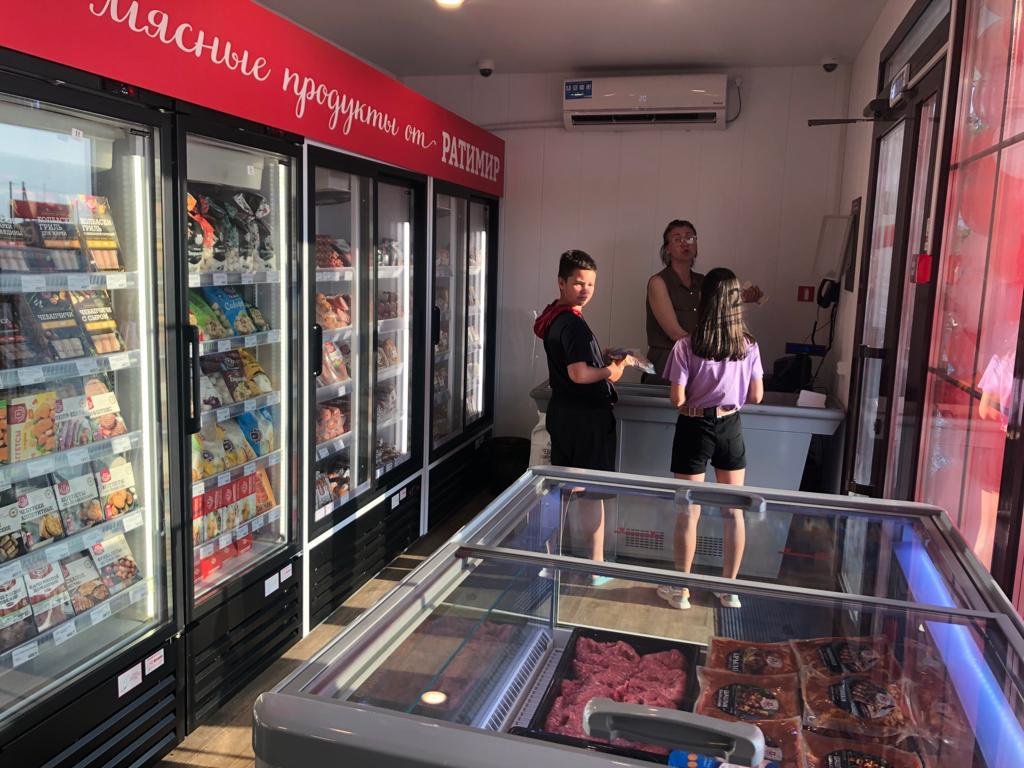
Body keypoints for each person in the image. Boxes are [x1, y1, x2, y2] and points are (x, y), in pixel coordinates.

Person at [656, 267, 764, 610]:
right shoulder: (748, 345)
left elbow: (677, 398)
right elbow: (757, 395)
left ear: (704, 300)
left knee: (689, 512)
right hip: (731, 427)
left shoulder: (687, 345)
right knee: (734, 512)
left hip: (693, 426)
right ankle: (729, 590)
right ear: (736, 302)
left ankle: (681, 591)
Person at [533, 249, 627, 582]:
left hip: (563, 413)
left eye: (591, 284)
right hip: (587, 418)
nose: (585, 290)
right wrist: (612, 371)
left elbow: (572, 362)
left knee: (562, 490)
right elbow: (578, 373)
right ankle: (595, 566)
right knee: (592, 492)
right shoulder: (573, 323)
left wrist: (600, 356)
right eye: (578, 283)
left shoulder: (555, 316)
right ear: (561, 282)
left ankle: (550, 561)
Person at [645, 220, 763, 383]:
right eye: (677, 239)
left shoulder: (704, 281)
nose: (685, 243)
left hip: (698, 364)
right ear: (667, 248)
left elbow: (720, 310)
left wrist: (742, 298)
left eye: (690, 238)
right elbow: (676, 334)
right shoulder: (658, 282)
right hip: (667, 364)